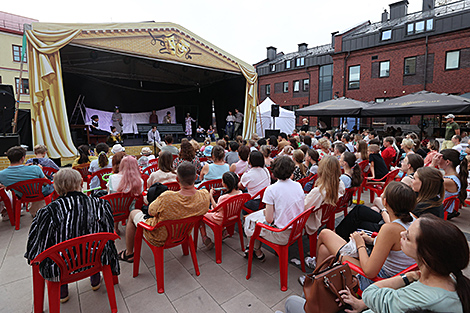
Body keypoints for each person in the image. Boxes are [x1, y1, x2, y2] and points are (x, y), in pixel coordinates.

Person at [286, 215, 470, 313]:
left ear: (427, 255)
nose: (401, 235)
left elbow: (371, 287)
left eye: (408, 237)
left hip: (371, 283)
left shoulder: (415, 299)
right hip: (366, 302)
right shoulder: (452, 279)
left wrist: (407, 277)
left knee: (291, 303)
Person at [24, 168, 119, 303]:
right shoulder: (100, 204)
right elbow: (109, 232)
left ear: (55, 187)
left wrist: (33, 258)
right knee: (95, 243)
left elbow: (37, 245)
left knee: (52, 248)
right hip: (95, 257)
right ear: (81, 183)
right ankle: (95, 277)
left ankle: (62, 290)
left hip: (62, 265)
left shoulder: (48, 212)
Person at [314, 182, 416, 291]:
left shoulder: (390, 229)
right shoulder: (414, 219)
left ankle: (314, 281)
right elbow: (394, 247)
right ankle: (317, 282)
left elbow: (369, 272)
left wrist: (360, 244)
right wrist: (371, 240)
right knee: (324, 249)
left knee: (325, 233)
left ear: (385, 202)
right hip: (396, 275)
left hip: (379, 280)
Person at [118, 162, 210, 262]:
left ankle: (129, 253)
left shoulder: (167, 198)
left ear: (177, 179)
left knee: (133, 213)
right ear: (196, 176)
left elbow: (150, 211)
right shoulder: (204, 195)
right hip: (183, 232)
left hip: (159, 236)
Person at [243, 156, 304, 261]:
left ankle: (256, 250)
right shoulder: (298, 185)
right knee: (256, 221)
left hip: (282, 234)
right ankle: (254, 250)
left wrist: (267, 212)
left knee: (252, 223)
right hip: (297, 229)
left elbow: (269, 219)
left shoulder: (271, 190)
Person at [0, 146, 54, 217]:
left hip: (21, 195)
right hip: (40, 193)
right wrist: (40, 170)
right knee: (53, 183)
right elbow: (46, 182)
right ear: (23, 158)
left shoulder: (2, 174)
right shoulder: (35, 168)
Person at [304, 155, 345, 238]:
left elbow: (304, 208)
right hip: (325, 216)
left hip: (312, 221)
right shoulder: (340, 184)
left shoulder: (319, 191)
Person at [199, 171, 242, 249]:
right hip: (233, 216)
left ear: (225, 184)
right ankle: (223, 231)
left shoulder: (223, 198)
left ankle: (204, 237)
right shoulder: (240, 193)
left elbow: (216, 208)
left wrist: (211, 196)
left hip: (220, 218)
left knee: (200, 214)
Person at [431, 149, 468, 219]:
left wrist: (433, 164)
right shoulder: (452, 177)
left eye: (439, 158)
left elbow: (424, 180)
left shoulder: (448, 181)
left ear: (447, 162)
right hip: (437, 206)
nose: (437, 160)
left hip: (435, 209)